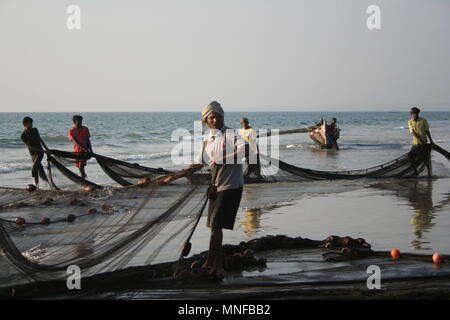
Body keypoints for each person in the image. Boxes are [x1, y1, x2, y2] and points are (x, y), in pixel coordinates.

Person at [159, 101, 245, 277]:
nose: (215, 120)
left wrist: (223, 158)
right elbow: (198, 164)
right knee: (214, 227)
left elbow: (245, 150)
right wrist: (174, 176)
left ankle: (216, 265)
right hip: (216, 187)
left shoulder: (230, 134)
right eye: (211, 117)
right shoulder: (208, 140)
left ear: (223, 117)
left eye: (218, 116)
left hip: (230, 185)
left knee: (217, 225)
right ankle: (210, 262)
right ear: (206, 121)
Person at [21, 117, 50, 188]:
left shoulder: (35, 130)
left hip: (40, 153)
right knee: (39, 168)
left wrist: (46, 149)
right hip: (33, 154)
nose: (32, 124)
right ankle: (43, 185)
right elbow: (30, 147)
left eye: (32, 123)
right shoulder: (23, 135)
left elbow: (40, 140)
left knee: (34, 167)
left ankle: (38, 185)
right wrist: (43, 150)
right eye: (30, 123)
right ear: (26, 124)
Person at [408, 107, 434, 176]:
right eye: (413, 114)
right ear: (411, 114)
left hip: (424, 143)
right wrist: (420, 140)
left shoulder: (423, 120)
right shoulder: (410, 121)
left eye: (416, 113)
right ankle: (415, 171)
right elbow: (412, 132)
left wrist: (431, 141)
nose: (414, 115)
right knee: (410, 156)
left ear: (418, 113)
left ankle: (429, 173)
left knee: (426, 158)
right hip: (415, 143)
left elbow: (427, 131)